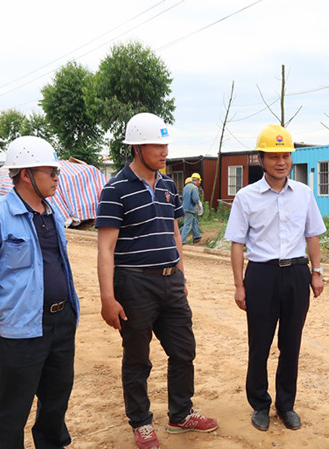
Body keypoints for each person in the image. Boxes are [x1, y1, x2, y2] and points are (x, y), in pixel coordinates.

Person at [96, 112, 217, 449]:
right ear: (137, 147)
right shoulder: (115, 189)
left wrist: (180, 272)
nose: (164, 151)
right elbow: (105, 248)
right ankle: (141, 422)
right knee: (137, 356)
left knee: (184, 350)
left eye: (166, 144)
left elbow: (175, 230)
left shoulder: (167, 186)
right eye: (157, 145)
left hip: (170, 282)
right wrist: (108, 297)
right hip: (134, 284)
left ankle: (181, 412)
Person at [0, 136, 80, 449]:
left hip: (61, 322)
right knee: (13, 405)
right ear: (26, 174)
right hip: (20, 329)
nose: (57, 179)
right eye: (51, 173)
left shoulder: (52, 213)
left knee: (56, 400)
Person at [224, 124, 326, 432]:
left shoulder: (304, 194)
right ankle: (259, 403)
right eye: (273, 156)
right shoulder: (246, 197)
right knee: (260, 343)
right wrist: (239, 285)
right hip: (261, 276)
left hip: (296, 273)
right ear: (260, 159)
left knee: (291, 344)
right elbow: (237, 244)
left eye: (286, 156)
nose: (281, 162)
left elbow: (312, 235)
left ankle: (286, 405)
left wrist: (317, 271)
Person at [180, 172, 202, 244]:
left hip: (184, 208)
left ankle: (196, 237)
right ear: (197, 180)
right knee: (187, 225)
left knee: (194, 222)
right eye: (199, 181)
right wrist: (198, 202)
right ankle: (181, 241)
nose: (199, 183)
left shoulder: (185, 187)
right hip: (190, 209)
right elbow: (195, 199)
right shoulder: (194, 187)